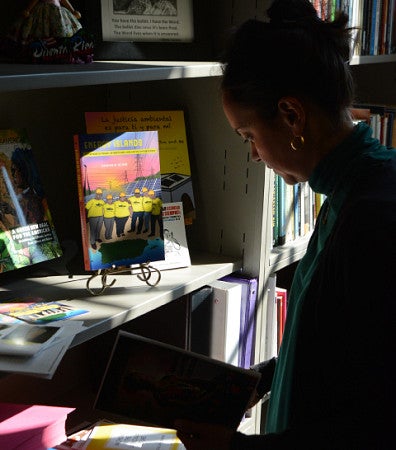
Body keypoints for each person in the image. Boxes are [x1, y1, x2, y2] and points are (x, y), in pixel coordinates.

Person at [176, 0, 396, 449]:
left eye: (249, 136)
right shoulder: (352, 191)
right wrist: (262, 379)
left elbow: (375, 422)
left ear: (292, 115)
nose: (254, 155)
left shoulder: (374, 217)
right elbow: (339, 346)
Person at [10, 0, 82, 44]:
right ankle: (46, 44)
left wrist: (73, 11)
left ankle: (56, 45)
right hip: (43, 10)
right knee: (43, 27)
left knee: (59, 27)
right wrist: (28, 10)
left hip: (58, 11)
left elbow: (64, 0)